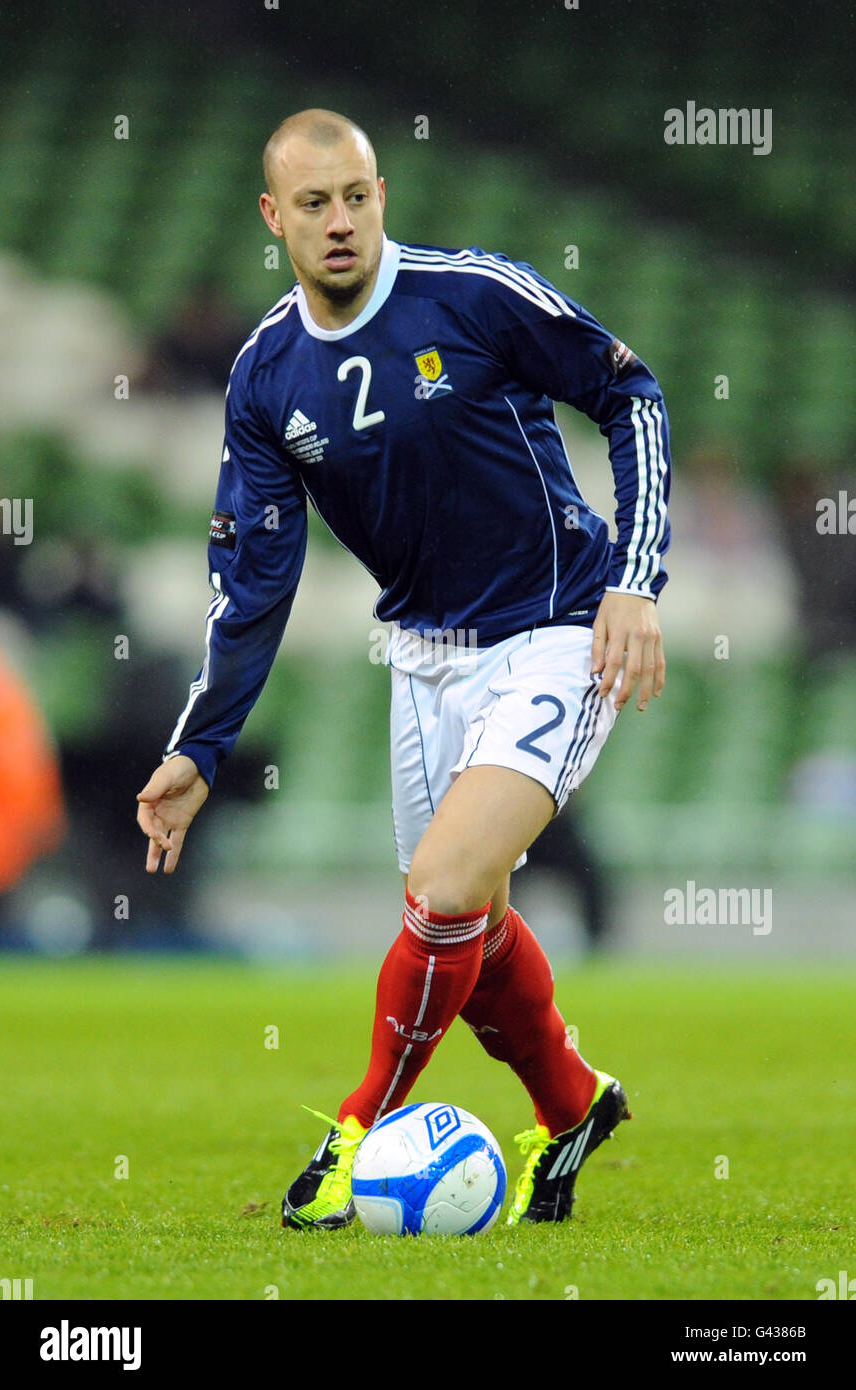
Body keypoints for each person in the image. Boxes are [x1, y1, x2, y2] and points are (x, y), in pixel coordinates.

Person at [136, 109, 671, 1229]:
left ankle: (350, 1132)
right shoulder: (265, 377)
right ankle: (570, 1106)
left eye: (358, 196)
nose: (341, 222)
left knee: (437, 899)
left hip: (554, 630)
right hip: (420, 658)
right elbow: (254, 583)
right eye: (315, 204)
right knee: (462, 931)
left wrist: (635, 576)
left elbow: (631, 391)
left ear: (382, 194)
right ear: (272, 218)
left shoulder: (472, 296)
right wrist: (200, 744)